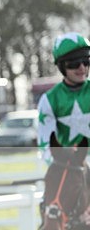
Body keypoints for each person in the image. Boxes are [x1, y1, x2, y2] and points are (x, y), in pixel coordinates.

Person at [38, 32, 90, 164]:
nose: (82, 68)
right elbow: (47, 145)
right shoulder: (49, 100)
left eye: (86, 61)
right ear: (61, 66)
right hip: (70, 168)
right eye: (74, 63)